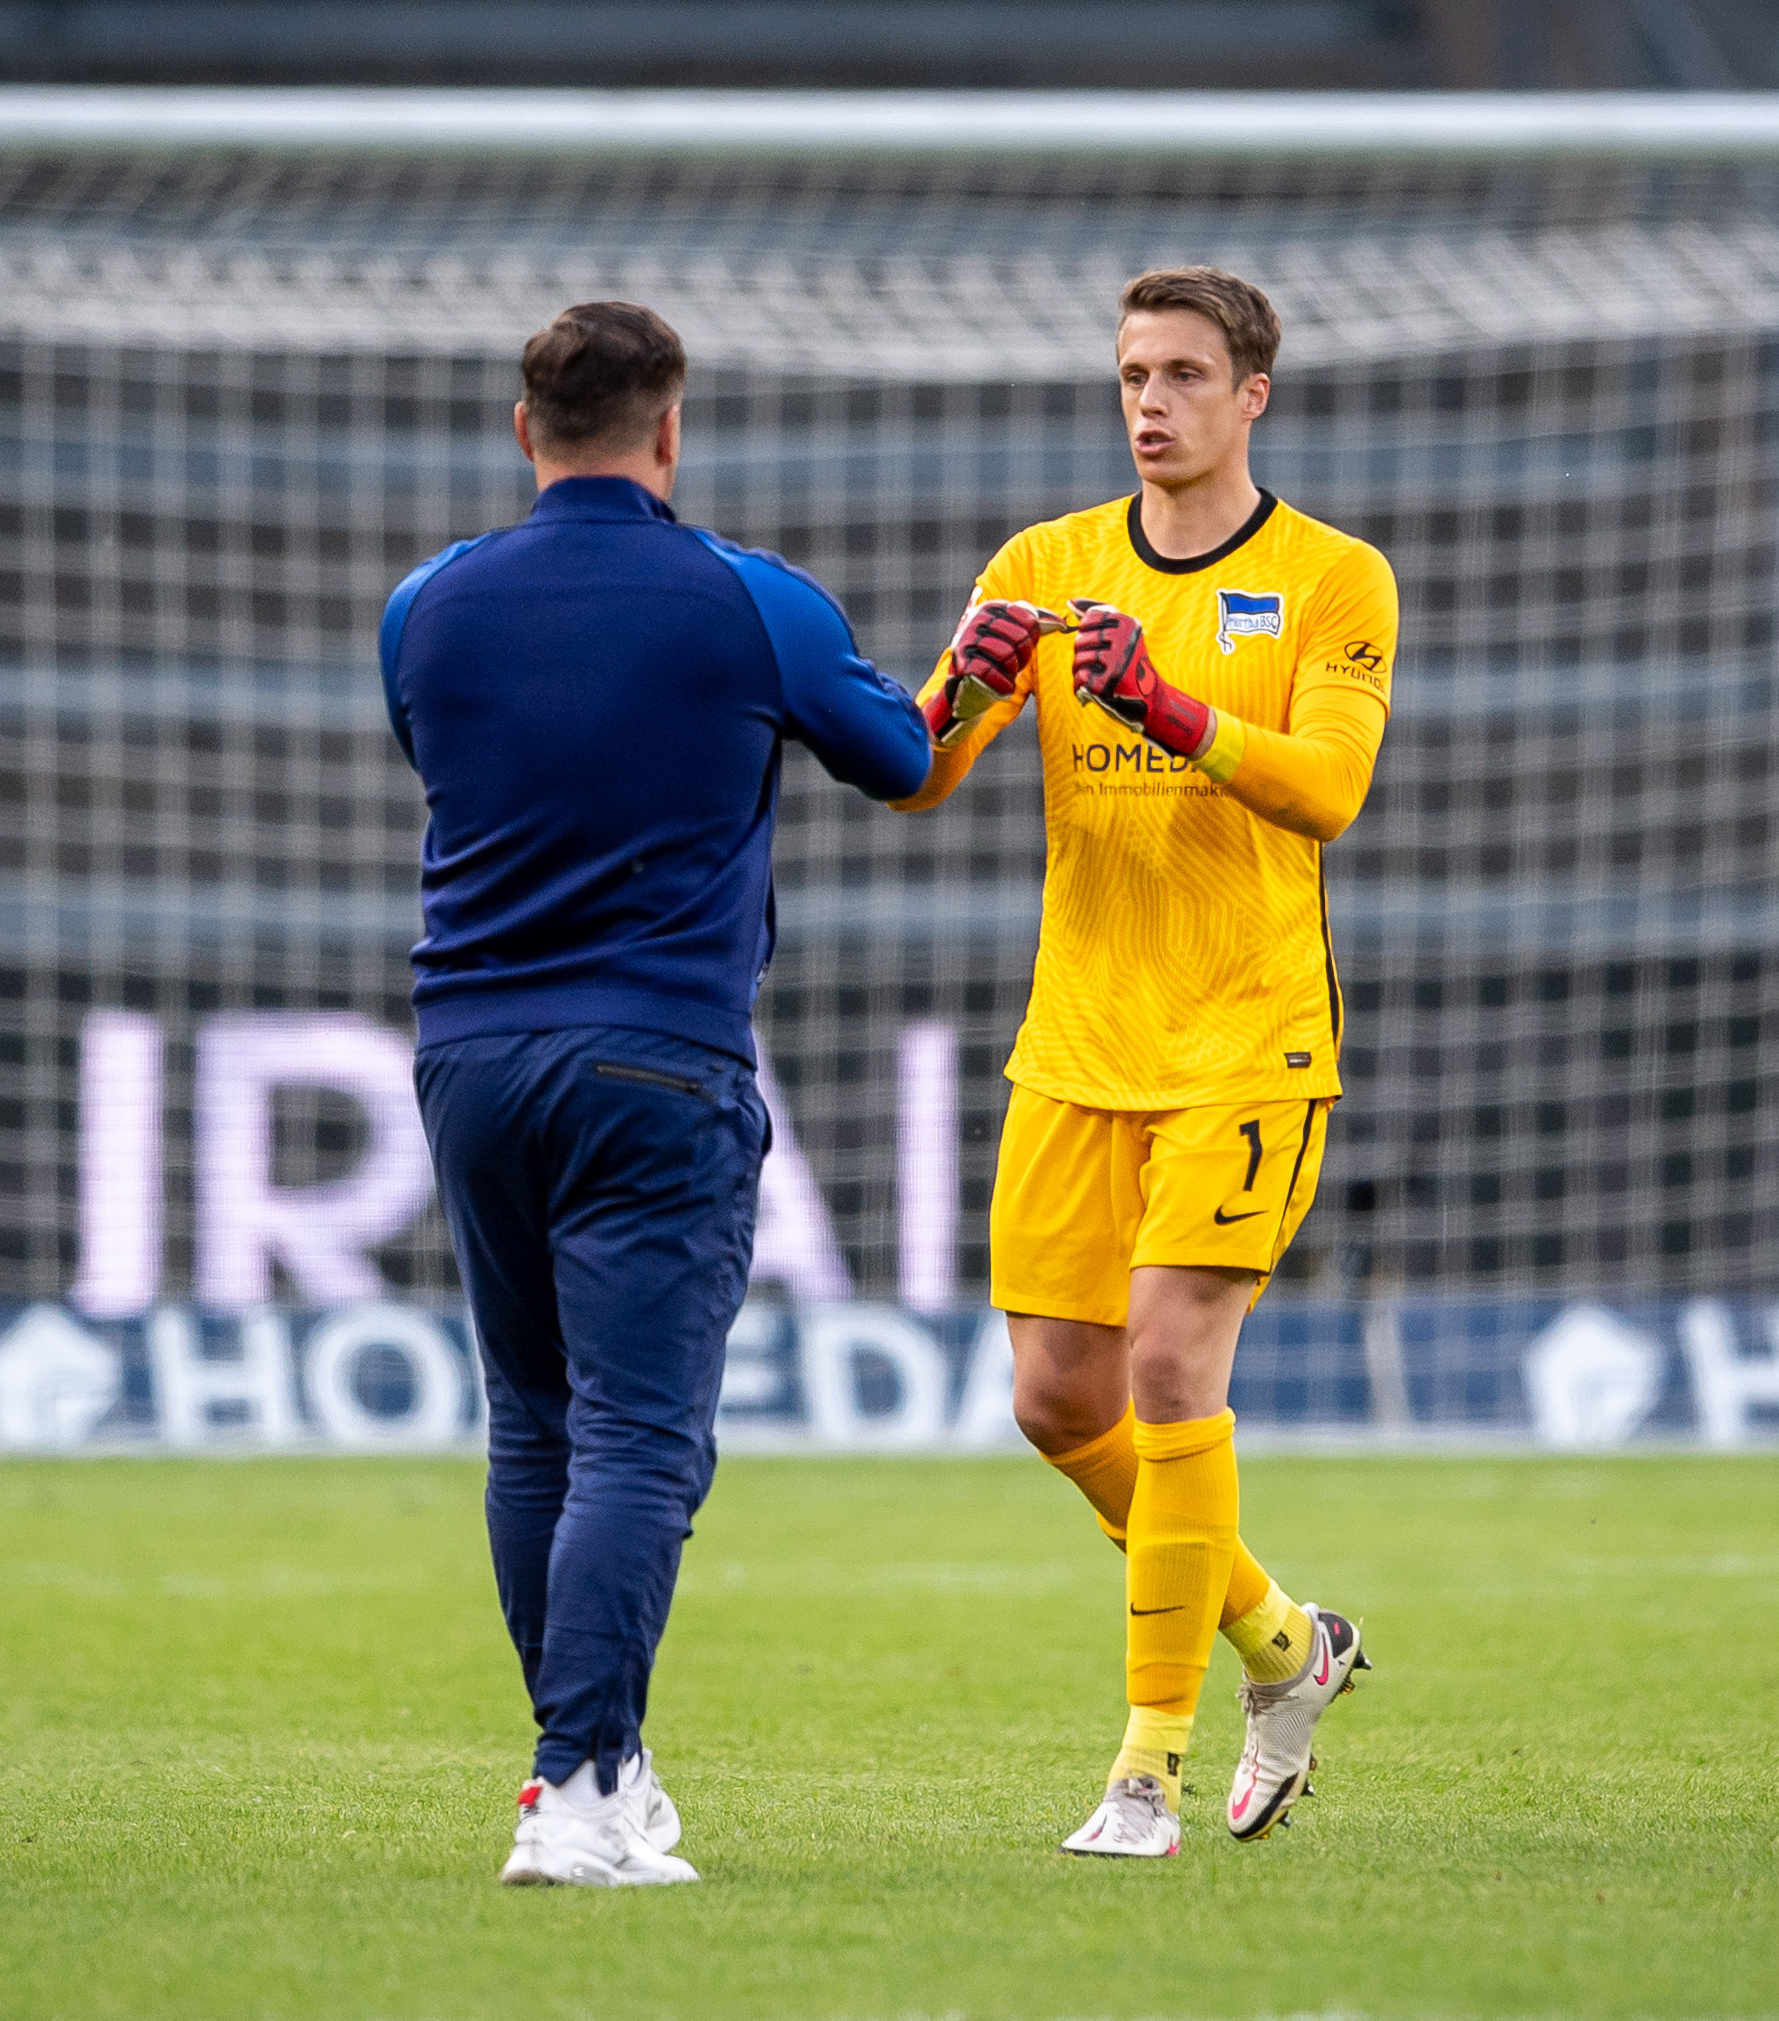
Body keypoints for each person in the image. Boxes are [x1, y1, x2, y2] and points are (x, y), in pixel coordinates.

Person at [382, 301, 931, 1886]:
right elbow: (897, 758)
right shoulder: (747, 602)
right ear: (671, 429)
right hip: (655, 1056)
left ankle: (594, 1770)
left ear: (522, 427)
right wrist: (973, 668)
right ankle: (577, 1785)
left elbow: (444, 751)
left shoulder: (425, 607)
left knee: (531, 1427)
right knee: (636, 1438)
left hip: (469, 1058)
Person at [892, 267, 1398, 1856]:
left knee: (1175, 1372)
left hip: (1246, 1042)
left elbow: (1327, 791)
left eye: (1183, 372)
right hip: (1077, 1046)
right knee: (1058, 1400)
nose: (1150, 400)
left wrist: (1168, 703)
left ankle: (1144, 1769)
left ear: (1254, 394)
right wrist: (960, 684)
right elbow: (916, 775)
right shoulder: (1046, 566)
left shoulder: (1333, 578)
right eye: (1130, 374)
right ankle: (1284, 1641)